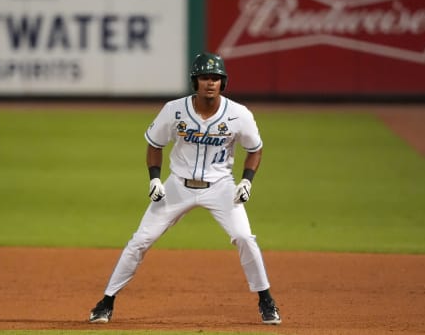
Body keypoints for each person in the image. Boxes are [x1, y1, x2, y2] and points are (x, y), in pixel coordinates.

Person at [88, 52, 281, 325]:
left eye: (215, 78)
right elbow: (155, 144)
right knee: (140, 240)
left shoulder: (239, 114)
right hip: (177, 186)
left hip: (221, 186)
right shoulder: (174, 109)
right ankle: (106, 302)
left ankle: (266, 301)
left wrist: (247, 181)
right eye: (205, 77)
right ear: (195, 81)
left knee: (244, 237)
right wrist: (154, 178)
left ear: (223, 82)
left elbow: (255, 150)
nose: (210, 83)